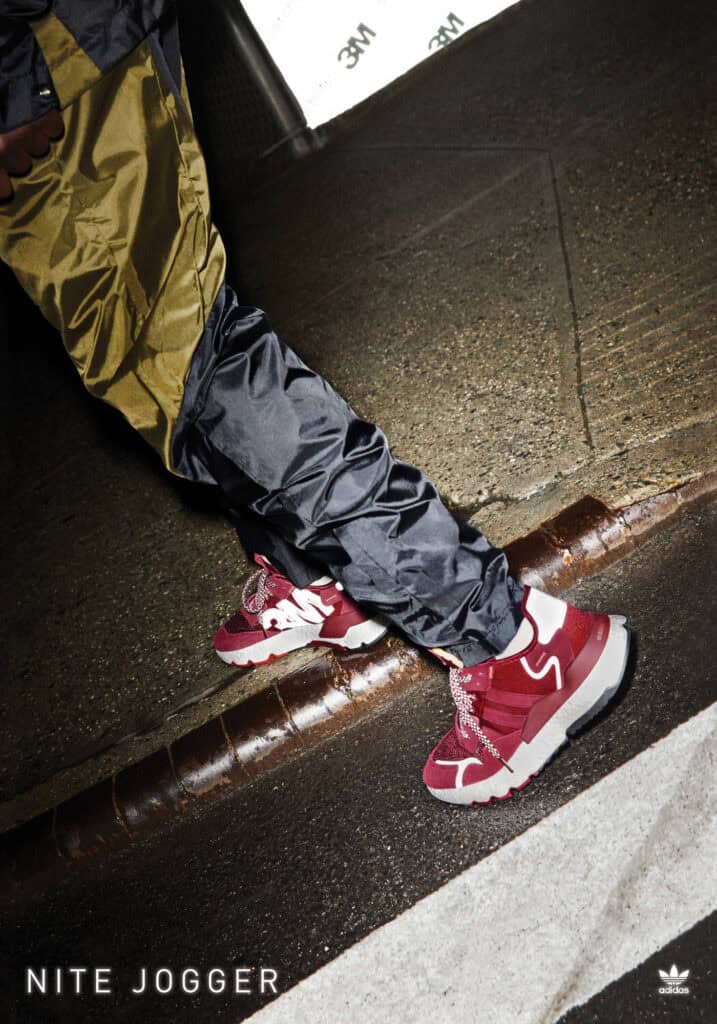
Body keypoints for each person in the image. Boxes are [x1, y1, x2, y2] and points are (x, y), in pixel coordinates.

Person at [0, 1, 629, 807]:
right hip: (46, 59)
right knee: (164, 374)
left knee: (201, 368)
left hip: (37, 68)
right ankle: (316, 579)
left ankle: (513, 645)